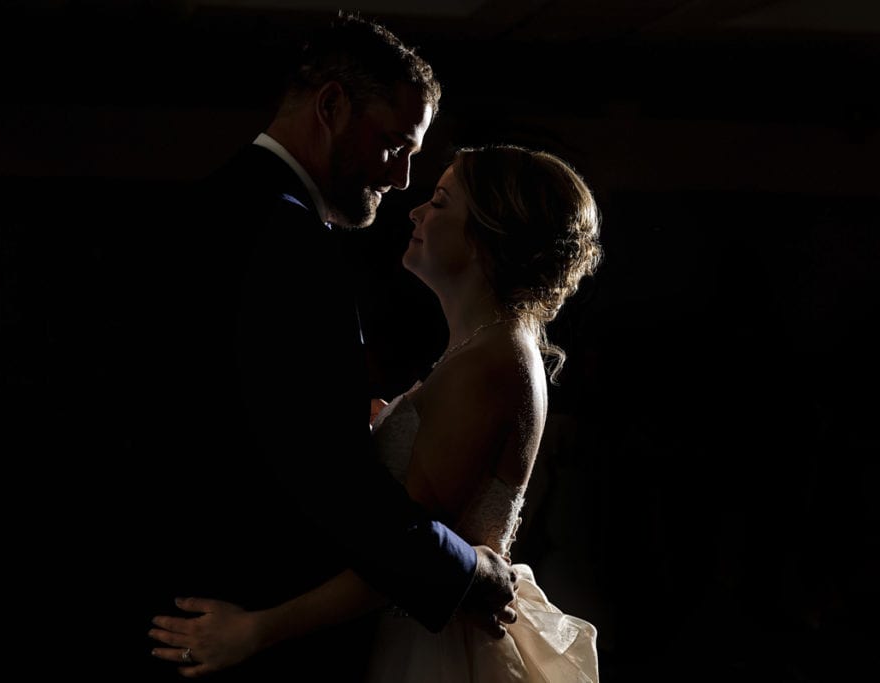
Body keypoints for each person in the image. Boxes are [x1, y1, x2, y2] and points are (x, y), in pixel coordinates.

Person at [128, 12, 516, 682]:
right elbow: (328, 477)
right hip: (244, 611)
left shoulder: (205, 210)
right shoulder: (288, 240)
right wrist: (464, 569)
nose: (400, 180)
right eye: (395, 144)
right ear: (332, 105)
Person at [148, 144, 603, 681]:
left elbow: (400, 558)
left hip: (432, 647)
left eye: (438, 202)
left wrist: (256, 629)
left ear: (486, 236)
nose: (414, 211)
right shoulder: (486, 350)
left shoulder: (490, 363)